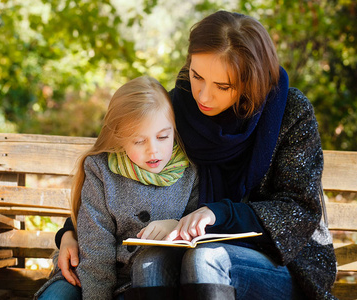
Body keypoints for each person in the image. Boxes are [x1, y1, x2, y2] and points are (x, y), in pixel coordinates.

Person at [55, 10, 338, 300]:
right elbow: (126, 170)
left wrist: (220, 213)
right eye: (197, 76)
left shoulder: (290, 113)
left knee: (206, 259)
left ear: (250, 81)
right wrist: (70, 232)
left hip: (279, 263)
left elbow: (299, 209)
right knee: (164, 261)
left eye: (222, 86)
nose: (202, 96)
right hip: (188, 258)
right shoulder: (177, 109)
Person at [34, 76, 199, 299]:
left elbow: (199, 229)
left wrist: (177, 226)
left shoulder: (189, 171)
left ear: (174, 131)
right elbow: (96, 248)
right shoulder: (101, 170)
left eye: (162, 136)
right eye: (139, 141)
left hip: (147, 283)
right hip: (87, 275)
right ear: (119, 138)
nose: (154, 151)